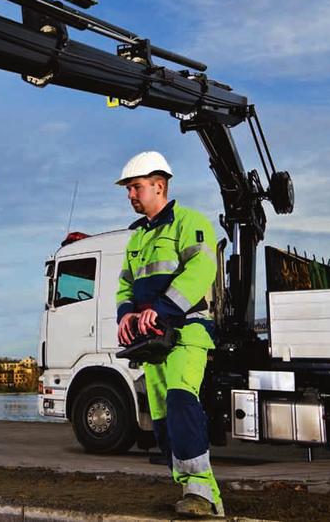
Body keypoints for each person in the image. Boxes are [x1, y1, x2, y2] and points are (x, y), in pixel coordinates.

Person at [114, 151, 223, 518]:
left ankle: (203, 495)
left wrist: (158, 309)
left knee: (180, 402)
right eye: (129, 189)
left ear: (159, 186)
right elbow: (125, 286)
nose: (131, 194)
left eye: (136, 187)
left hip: (186, 331)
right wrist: (125, 314)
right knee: (161, 421)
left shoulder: (190, 222)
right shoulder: (137, 240)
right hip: (152, 342)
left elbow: (201, 270)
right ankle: (186, 489)